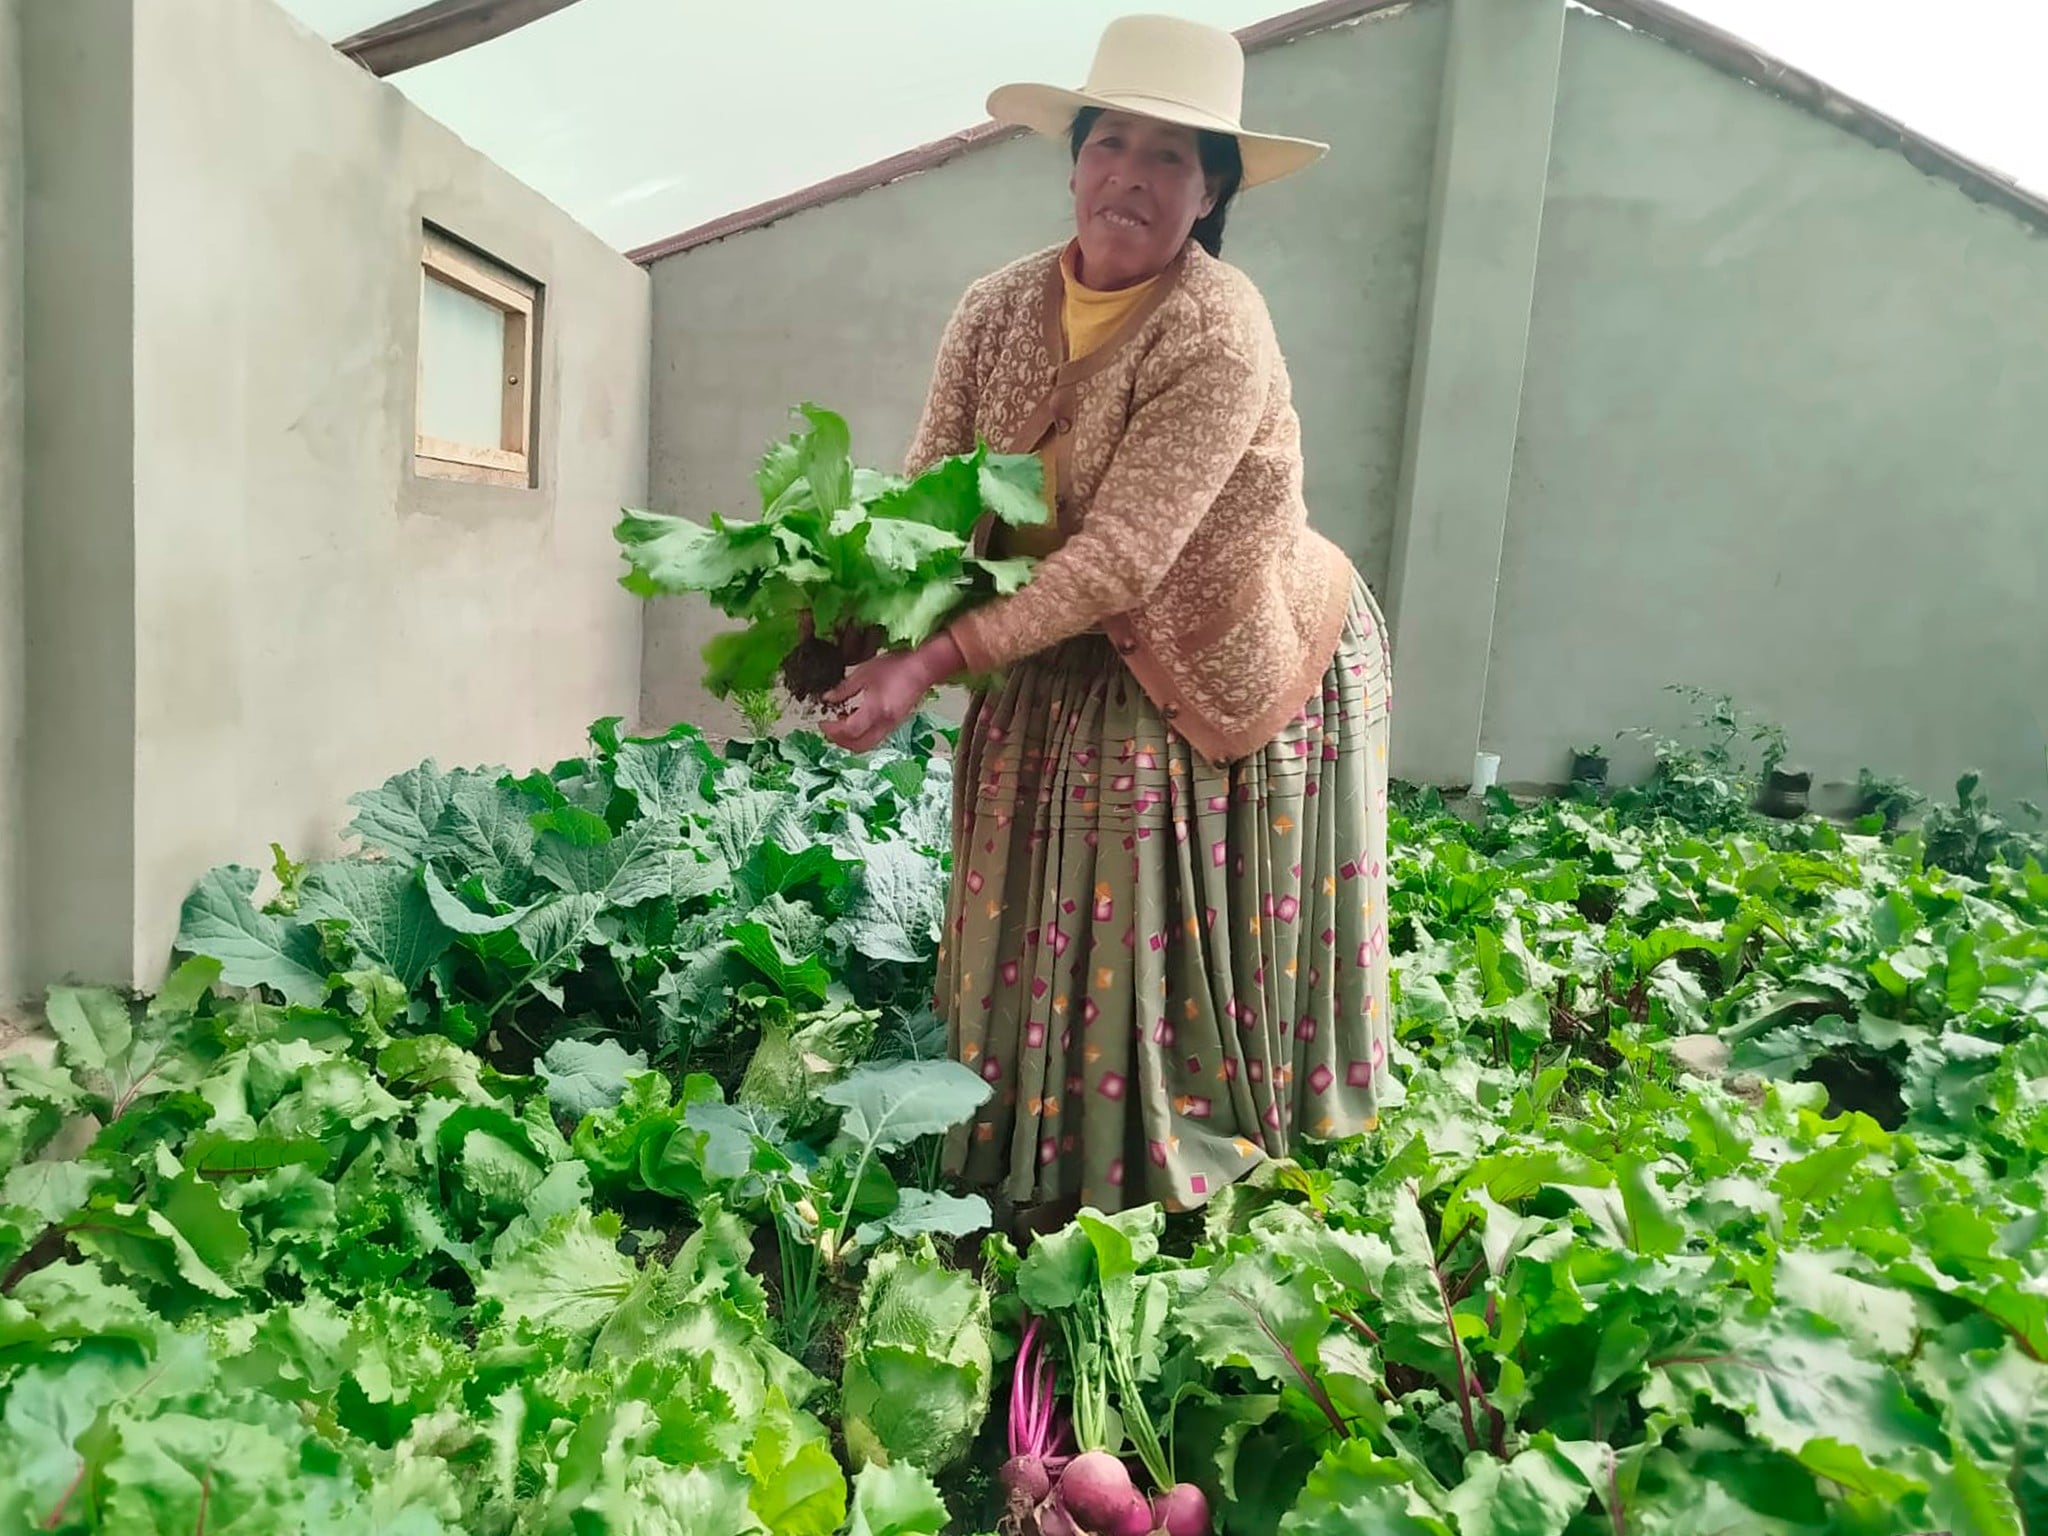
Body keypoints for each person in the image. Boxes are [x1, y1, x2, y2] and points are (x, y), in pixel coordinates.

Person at [822, 15, 1392, 1225]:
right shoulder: (993, 308)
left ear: (1212, 189)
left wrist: (931, 660)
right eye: (1110, 142)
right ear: (1073, 159)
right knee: (1030, 880)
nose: (1131, 174)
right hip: (1052, 640)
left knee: (1150, 906)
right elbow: (933, 493)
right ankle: (1026, 1124)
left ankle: (1169, 1154)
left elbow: (1126, 559)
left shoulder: (1217, 325)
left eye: (1172, 156)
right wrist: (853, 627)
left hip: (1216, 643)